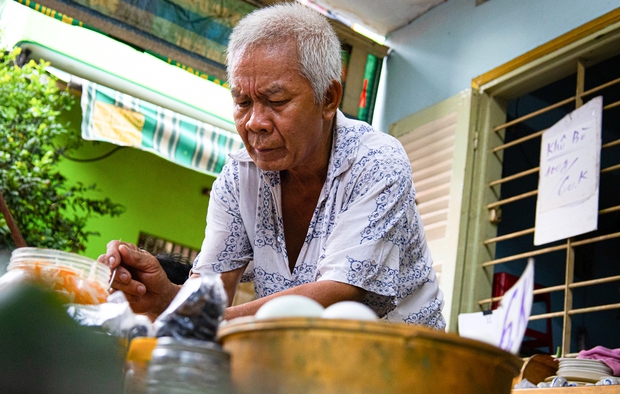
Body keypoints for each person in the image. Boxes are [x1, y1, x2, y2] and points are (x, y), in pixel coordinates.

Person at [100, 2, 445, 329]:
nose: (254, 122)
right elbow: (209, 291)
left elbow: (337, 293)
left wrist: (203, 317)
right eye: (242, 101)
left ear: (328, 98)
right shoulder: (238, 180)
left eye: (276, 101)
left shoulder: (377, 162)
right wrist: (165, 296)